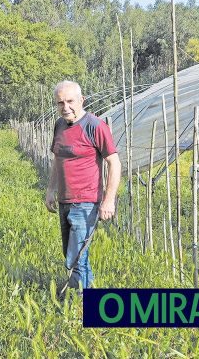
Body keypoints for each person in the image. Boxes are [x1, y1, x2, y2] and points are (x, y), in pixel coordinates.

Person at [44, 80, 121, 293]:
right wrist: (51, 189)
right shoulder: (60, 125)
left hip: (86, 202)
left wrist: (109, 200)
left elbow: (114, 162)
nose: (65, 107)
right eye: (60, 103)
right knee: (72, 253)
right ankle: (87, 291)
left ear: (81, 100)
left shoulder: (95, 126)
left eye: (70, 101)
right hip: (65, 200)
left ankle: (80, 303)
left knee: (76, 256)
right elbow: (56, 160)